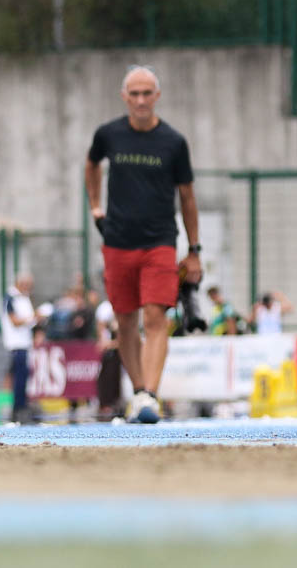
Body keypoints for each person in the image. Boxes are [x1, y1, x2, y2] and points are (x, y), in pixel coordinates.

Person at [85, 65, 202, 424]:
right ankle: (138, 392)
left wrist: (194, 250)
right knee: (125, 321)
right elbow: (91, 165)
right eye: (134, 94)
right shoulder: (108, 134)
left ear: (157, 96)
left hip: (159, 243)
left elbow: (187, 197)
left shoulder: (174, 142)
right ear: (124, 97)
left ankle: (150, 394)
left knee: (155, 316)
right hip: (117, 242)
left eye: (146, 93)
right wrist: (95, 207)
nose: (140, 100)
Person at [1, 272, 35, 424]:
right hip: (16, 345)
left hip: (24, 344)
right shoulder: (11, 298)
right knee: (18, 379)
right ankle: (18, 409)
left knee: (24, 377)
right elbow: (14, 321)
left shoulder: (23, 298)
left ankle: (21, 407)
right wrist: (33, 318)